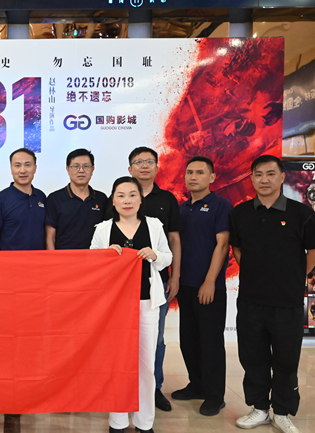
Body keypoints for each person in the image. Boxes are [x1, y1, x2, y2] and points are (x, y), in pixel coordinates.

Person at [230, 155, 315, 433]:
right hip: (251, 300)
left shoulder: (301, 214)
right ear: (252, 178)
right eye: (258, 174)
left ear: (282, 177)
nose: (264, 180)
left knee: (286, 359)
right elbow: (237, 249)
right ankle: (259, 408)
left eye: (271, 174)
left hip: (287, 302)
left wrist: (294, 277)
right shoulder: (240, 213)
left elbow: (314, 251)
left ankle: (282, 411)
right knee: (253, 357)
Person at [90, 176, 172, 433]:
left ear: (140, 199)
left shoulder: (154, 225)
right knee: (117, 363)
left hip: (147, 303)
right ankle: (117, 421)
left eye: (132, 195)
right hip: (114, 307)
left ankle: (144, 423)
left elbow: (167, 256)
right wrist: (105, 256)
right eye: (121, 195)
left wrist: (155, 255)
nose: (127, 200)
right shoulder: (103, 229)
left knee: (146, 365)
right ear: (113, 201)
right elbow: (91, 263)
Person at [0, 148, 46, 433]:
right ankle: (8, 398)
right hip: (8, 281)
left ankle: (30, 389)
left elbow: (48, 238)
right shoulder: (1, 199)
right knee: (8, 337)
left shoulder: (42, 198)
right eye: (17, 165)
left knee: (33, 336)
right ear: (11, 169)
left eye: (27, 165)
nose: (23, 170)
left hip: (37, 281)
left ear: (35, 167)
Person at [173, 156, 233, 416]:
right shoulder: (182, 208)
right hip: (185, 285)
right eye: (189, 172)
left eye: (199, 172)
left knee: (210, 343)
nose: (193, 177)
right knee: (188, 340)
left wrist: (209, 281)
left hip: (209, 287)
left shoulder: (221, 205)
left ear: (212, 177)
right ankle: (196, 385)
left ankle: (215, 396)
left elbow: (223, 244)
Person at [127, 146, 182, 412]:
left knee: (156, 339)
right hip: (123, 286)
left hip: (156, 283)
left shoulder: (167, 199)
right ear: (130, 168)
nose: (144, 166)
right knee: (124, 338)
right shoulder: (120, 195)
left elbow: (174, 240)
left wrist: (175, 276)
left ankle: (154, 387)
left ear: (157, 167)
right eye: (138, 162)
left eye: (149, 161)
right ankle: (126, 386)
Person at [45, 148, 108, 250]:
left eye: (86, 166)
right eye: (76, 166)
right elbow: (50, 237)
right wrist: (53, 258)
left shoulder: (101, 199)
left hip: (95, 257)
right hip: (65, 257)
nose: (81, 170)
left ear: (92, 169)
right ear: (68, 169)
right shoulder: (54, 199)